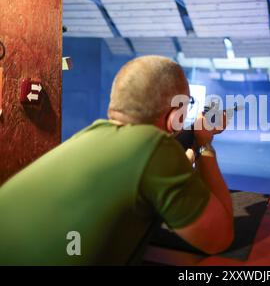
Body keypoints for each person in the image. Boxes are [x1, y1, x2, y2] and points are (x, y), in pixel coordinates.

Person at [0, 56, 234, 265]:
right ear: (175, 114)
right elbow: (219, 237)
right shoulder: (154, 147)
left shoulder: (89, 136)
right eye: (187, 105)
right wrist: (204, 143)